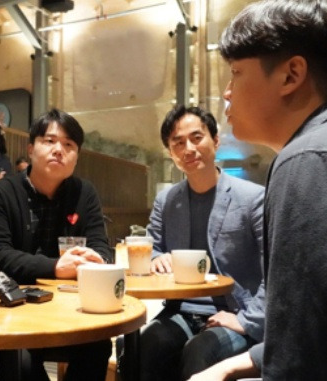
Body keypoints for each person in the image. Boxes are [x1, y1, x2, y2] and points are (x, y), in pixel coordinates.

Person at [189, 0, 327, 380]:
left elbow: (311, 359)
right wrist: (238, 364)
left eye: (236, 72)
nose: (228, 93)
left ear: (291, 75)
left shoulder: (312, 160)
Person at [119, 105, 265, 381]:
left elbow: (275, 269)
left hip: (235, 313)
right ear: (171, 153)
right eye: (178, 142)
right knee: (141, 344)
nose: (188, 148)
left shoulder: (253, 199)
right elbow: (151, 248)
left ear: (215, 140)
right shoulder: (167, 200)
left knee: (200, 351)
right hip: (181, 311)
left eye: (197, 138)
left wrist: (247, 321)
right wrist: (155, 258)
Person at [0, 108, 113, 381]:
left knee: (97, 346)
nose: (58, 150)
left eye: (68, 144)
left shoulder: (84, 193)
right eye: (49, 141)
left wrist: (94, 258)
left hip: (69, 310)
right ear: (30, 149)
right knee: (21, 360)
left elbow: (102, 249)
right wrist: (56, 267)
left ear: (76, 157)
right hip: (13, 311)